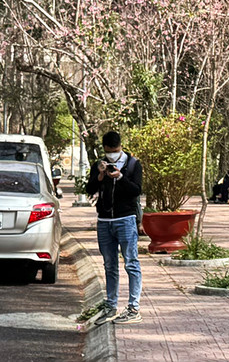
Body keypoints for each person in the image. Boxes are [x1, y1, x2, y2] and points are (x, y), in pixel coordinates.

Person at [85, 130, 144, 325]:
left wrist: (120, 177)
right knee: (109, 265)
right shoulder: (99, 165)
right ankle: (111, 306)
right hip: (104, 221)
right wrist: (101, 175)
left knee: (131, 263)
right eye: (109, 152)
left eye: (115, 151)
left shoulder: (133, 165)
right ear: (104, 150)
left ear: (120, 147)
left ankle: (133, 307)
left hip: (125, 219)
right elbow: (89, 189)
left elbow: (136, 191)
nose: (112, 156)